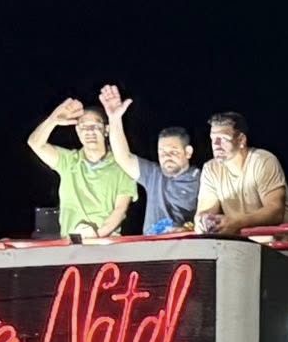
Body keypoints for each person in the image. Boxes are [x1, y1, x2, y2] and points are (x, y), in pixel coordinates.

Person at [26, 98, 134, 239]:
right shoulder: (69, 161)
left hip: (106, 243)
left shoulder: (122, 165)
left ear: (106, 130)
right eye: (83, 127)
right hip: (71, 244)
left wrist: (96, 236)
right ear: (77, 131)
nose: (89, 132)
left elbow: (120, 210)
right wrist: (53, 120)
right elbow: (35, 143)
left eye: (95, 126)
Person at [99, 85, 199, 234]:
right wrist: (114, 119)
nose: (167, 157)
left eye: (173, 151)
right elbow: (123, 157)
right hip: (152, 244)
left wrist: (186, 229)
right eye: (162, 152)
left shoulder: (203, 179)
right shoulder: (153, 175)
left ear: (188, 152)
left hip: (188, 244)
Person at [194, 112, 288, 236]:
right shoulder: (210, 169)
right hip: (246, 243)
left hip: (286, 241)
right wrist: (203, 221)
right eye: (213, 138)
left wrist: (237, 222)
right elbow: (205, 210)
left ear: (241, 140)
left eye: (223, 138)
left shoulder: (263, 161)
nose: (216, 144)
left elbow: (275, 212)